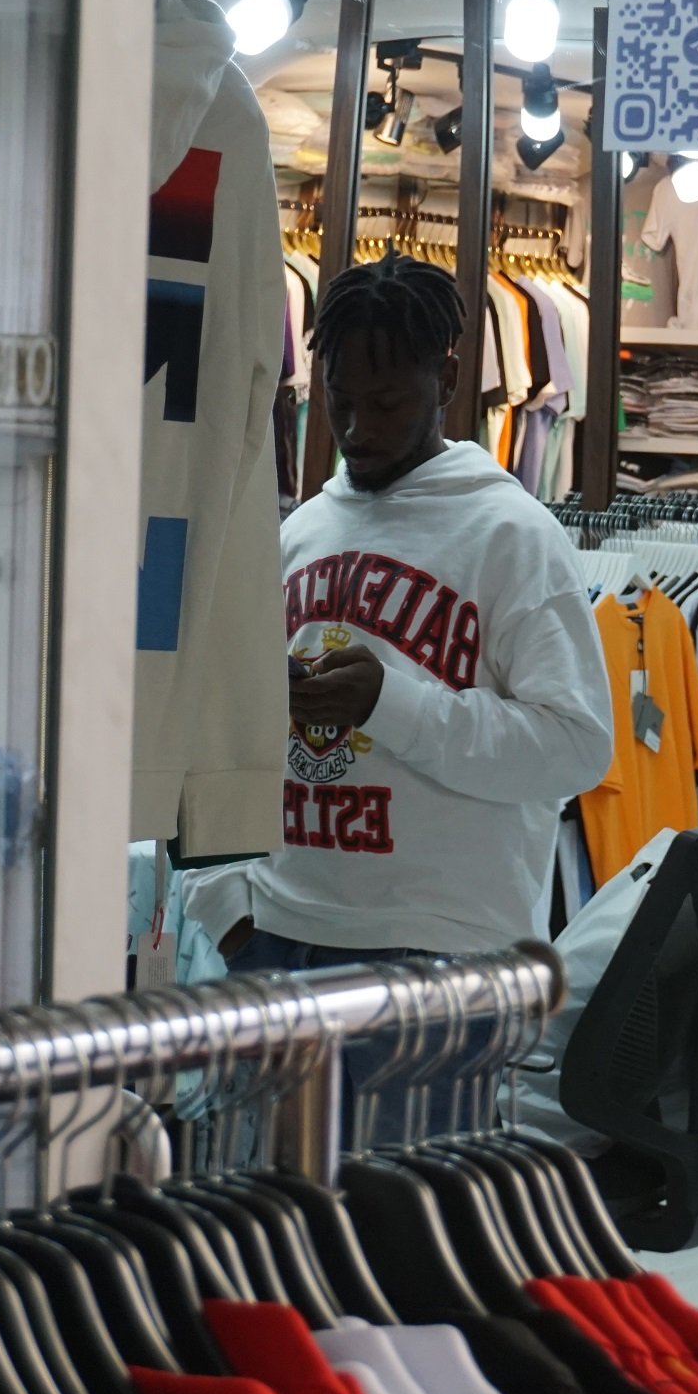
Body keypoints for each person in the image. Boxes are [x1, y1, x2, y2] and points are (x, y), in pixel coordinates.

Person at [183, 251, 614, 1010]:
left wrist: (390, 703)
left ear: (446, 381)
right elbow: (220, 722)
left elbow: (577, 746)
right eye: (340, 399)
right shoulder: (302, 531)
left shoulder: (514, 537)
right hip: (276, 938)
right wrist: (224, 905)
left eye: (386, 403)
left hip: (443, 958)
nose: (357, 429)